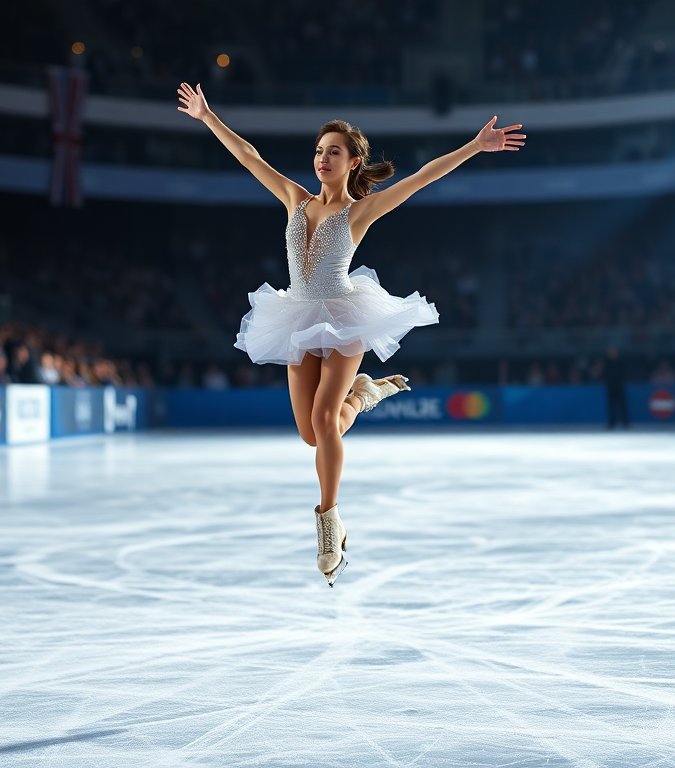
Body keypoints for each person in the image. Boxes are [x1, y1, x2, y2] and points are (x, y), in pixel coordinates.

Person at [177, 82, 525, 585]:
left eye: (333, 152)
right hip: (295, 316)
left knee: (322, 418)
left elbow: (424, 177)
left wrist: (474, 146)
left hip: (344, 318)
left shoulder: (359, 211)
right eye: (319, 151)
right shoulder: (294, 199)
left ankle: (328, 522)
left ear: (354, 161)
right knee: (311, 433)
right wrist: (209, 117)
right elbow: (250, 157)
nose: (322, 159)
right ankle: (364, 396)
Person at [603, 346, 630, 429]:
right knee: (611, 406)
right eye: (611, 352)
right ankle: (612, 423)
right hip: (611, 387)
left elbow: (625, 373)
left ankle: (625, 423)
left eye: (614, 352)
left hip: (619, 386)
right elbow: (605, 374)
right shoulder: (607, 363)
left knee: (622, 405)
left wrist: (621, 381)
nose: (612, 354)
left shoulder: (621, 363)